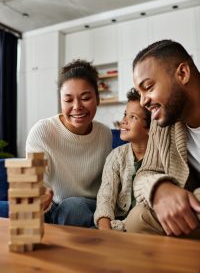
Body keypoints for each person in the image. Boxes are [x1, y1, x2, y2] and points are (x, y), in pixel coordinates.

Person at [125, 39, 200, 239]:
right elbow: (144, 174)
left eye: (148, 87)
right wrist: (159, 189)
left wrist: (187, 200)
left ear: (182, 74)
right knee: (138, 218)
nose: (143, 101)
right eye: (140, 93)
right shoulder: (163, 121)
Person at [26, 59, 112, 227]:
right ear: (60, 101)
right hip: (56, 208)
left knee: (79, 208)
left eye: (85, 98)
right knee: (71, 208)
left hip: (92, 207)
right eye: (68, 100)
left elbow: (107, 183)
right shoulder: (43, 131)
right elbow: (33, 176)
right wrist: (40, 190)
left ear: (98, 98)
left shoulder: (104, 134)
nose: (77, 107)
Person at [94, 88, 151, 231]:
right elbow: (105, 198)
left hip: (142, 226)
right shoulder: (116, 156)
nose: (123, 121)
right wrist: (105, 230)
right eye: (125, 114)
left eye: (133, 117)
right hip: (114, 225)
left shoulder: (160, 157)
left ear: (150, 127)